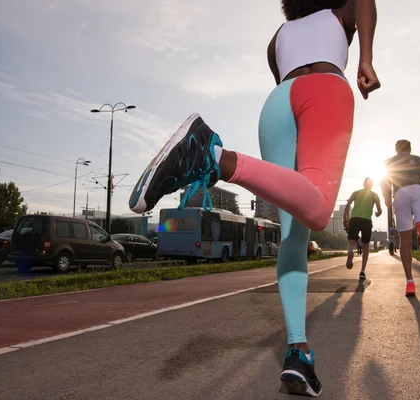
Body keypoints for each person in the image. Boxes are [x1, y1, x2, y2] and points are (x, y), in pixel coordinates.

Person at [129, 0, 380, 396]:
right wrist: (365, 57)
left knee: (292, 236)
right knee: (315, 211)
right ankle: (213, 157)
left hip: (276, 104)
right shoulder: (341, 11)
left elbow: (285, 78)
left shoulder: (276, 39)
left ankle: (298, 352)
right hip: (325, 89)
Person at [380, 140, 420, 297]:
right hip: (419, 190)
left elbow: (384, 182)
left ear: (396, 150)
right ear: (410, 149)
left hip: (400, 193)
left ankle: (410, 283)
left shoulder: (389, 162)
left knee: (405, 240)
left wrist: (386, 198)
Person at [343, 177, 382, 280]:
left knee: (351, 241)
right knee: (365, 246)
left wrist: (345, 218)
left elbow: (347, 206)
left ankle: (350, 251)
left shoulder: (355, 193)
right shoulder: (374, 195)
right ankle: (362, 271)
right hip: (366, 221)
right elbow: (379, 211)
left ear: (364, 184)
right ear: (371, 185)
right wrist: (377, 214)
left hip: (355, 219)